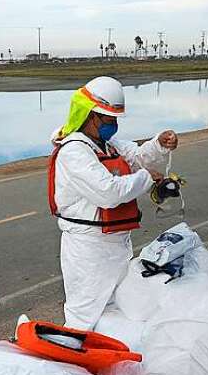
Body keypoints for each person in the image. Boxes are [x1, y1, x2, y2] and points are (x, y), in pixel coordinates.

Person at [49, 76, 179, 329]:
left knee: (117, 307)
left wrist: (158, 144)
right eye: (109, 119)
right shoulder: (74, 151)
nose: (114, 124)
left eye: (115, 119)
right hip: (88, 247)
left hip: (116, 243)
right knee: (85, 313)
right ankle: (76, 359)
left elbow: (137, 156)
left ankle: (109, 358)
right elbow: (108, 193)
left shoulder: (107, 143)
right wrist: (146, 178)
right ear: (90, 116)